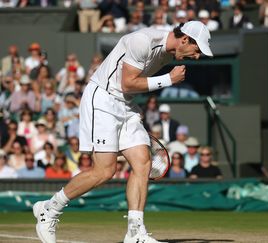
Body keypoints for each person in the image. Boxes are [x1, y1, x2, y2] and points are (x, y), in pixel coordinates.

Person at [32, 20, 213, 243]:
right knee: (104, 172)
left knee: (143, 162)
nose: (196, 56)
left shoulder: (168, 54)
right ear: (185, 39)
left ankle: (135, 232)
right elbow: (128, 83)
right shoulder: (142, 41)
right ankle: (49, 210)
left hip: (126, 105)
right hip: (103, 100)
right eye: (196, 50)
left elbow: (130, 88)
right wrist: (169, 79)